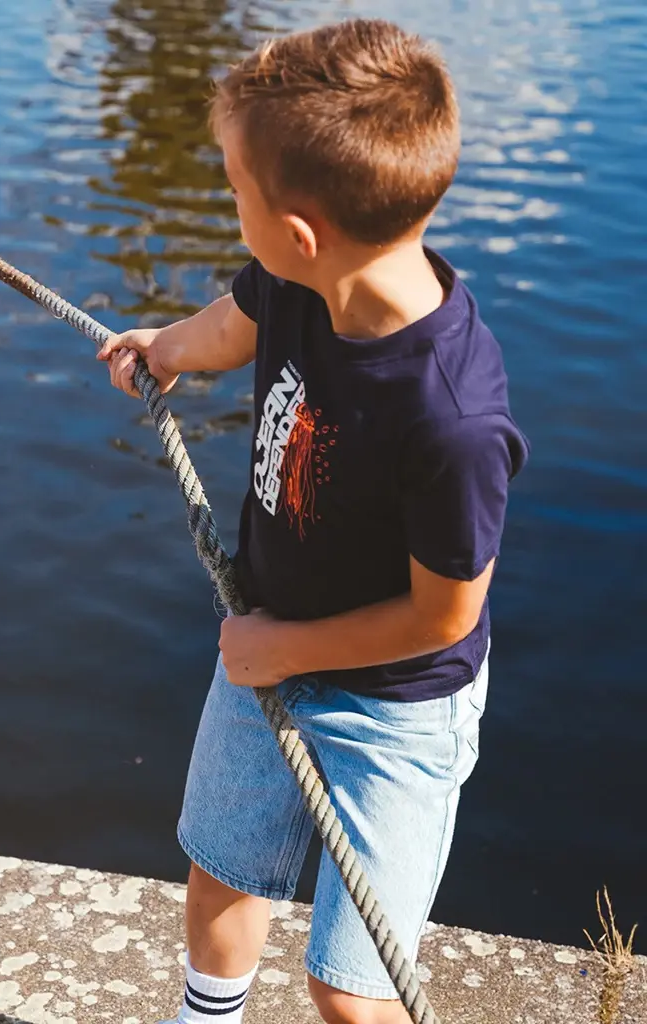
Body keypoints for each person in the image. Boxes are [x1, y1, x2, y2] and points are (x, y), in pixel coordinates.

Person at [97, 17, 530, 1024]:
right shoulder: (295, 281)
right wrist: (162, 348)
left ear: (299, 230)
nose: (226, 203)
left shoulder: (454, 419)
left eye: (232, 189)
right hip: (266, 647)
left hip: (393, 707)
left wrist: (277, 648)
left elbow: (444, 619)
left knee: (348, 986)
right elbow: (227, 323)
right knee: (221, 872)